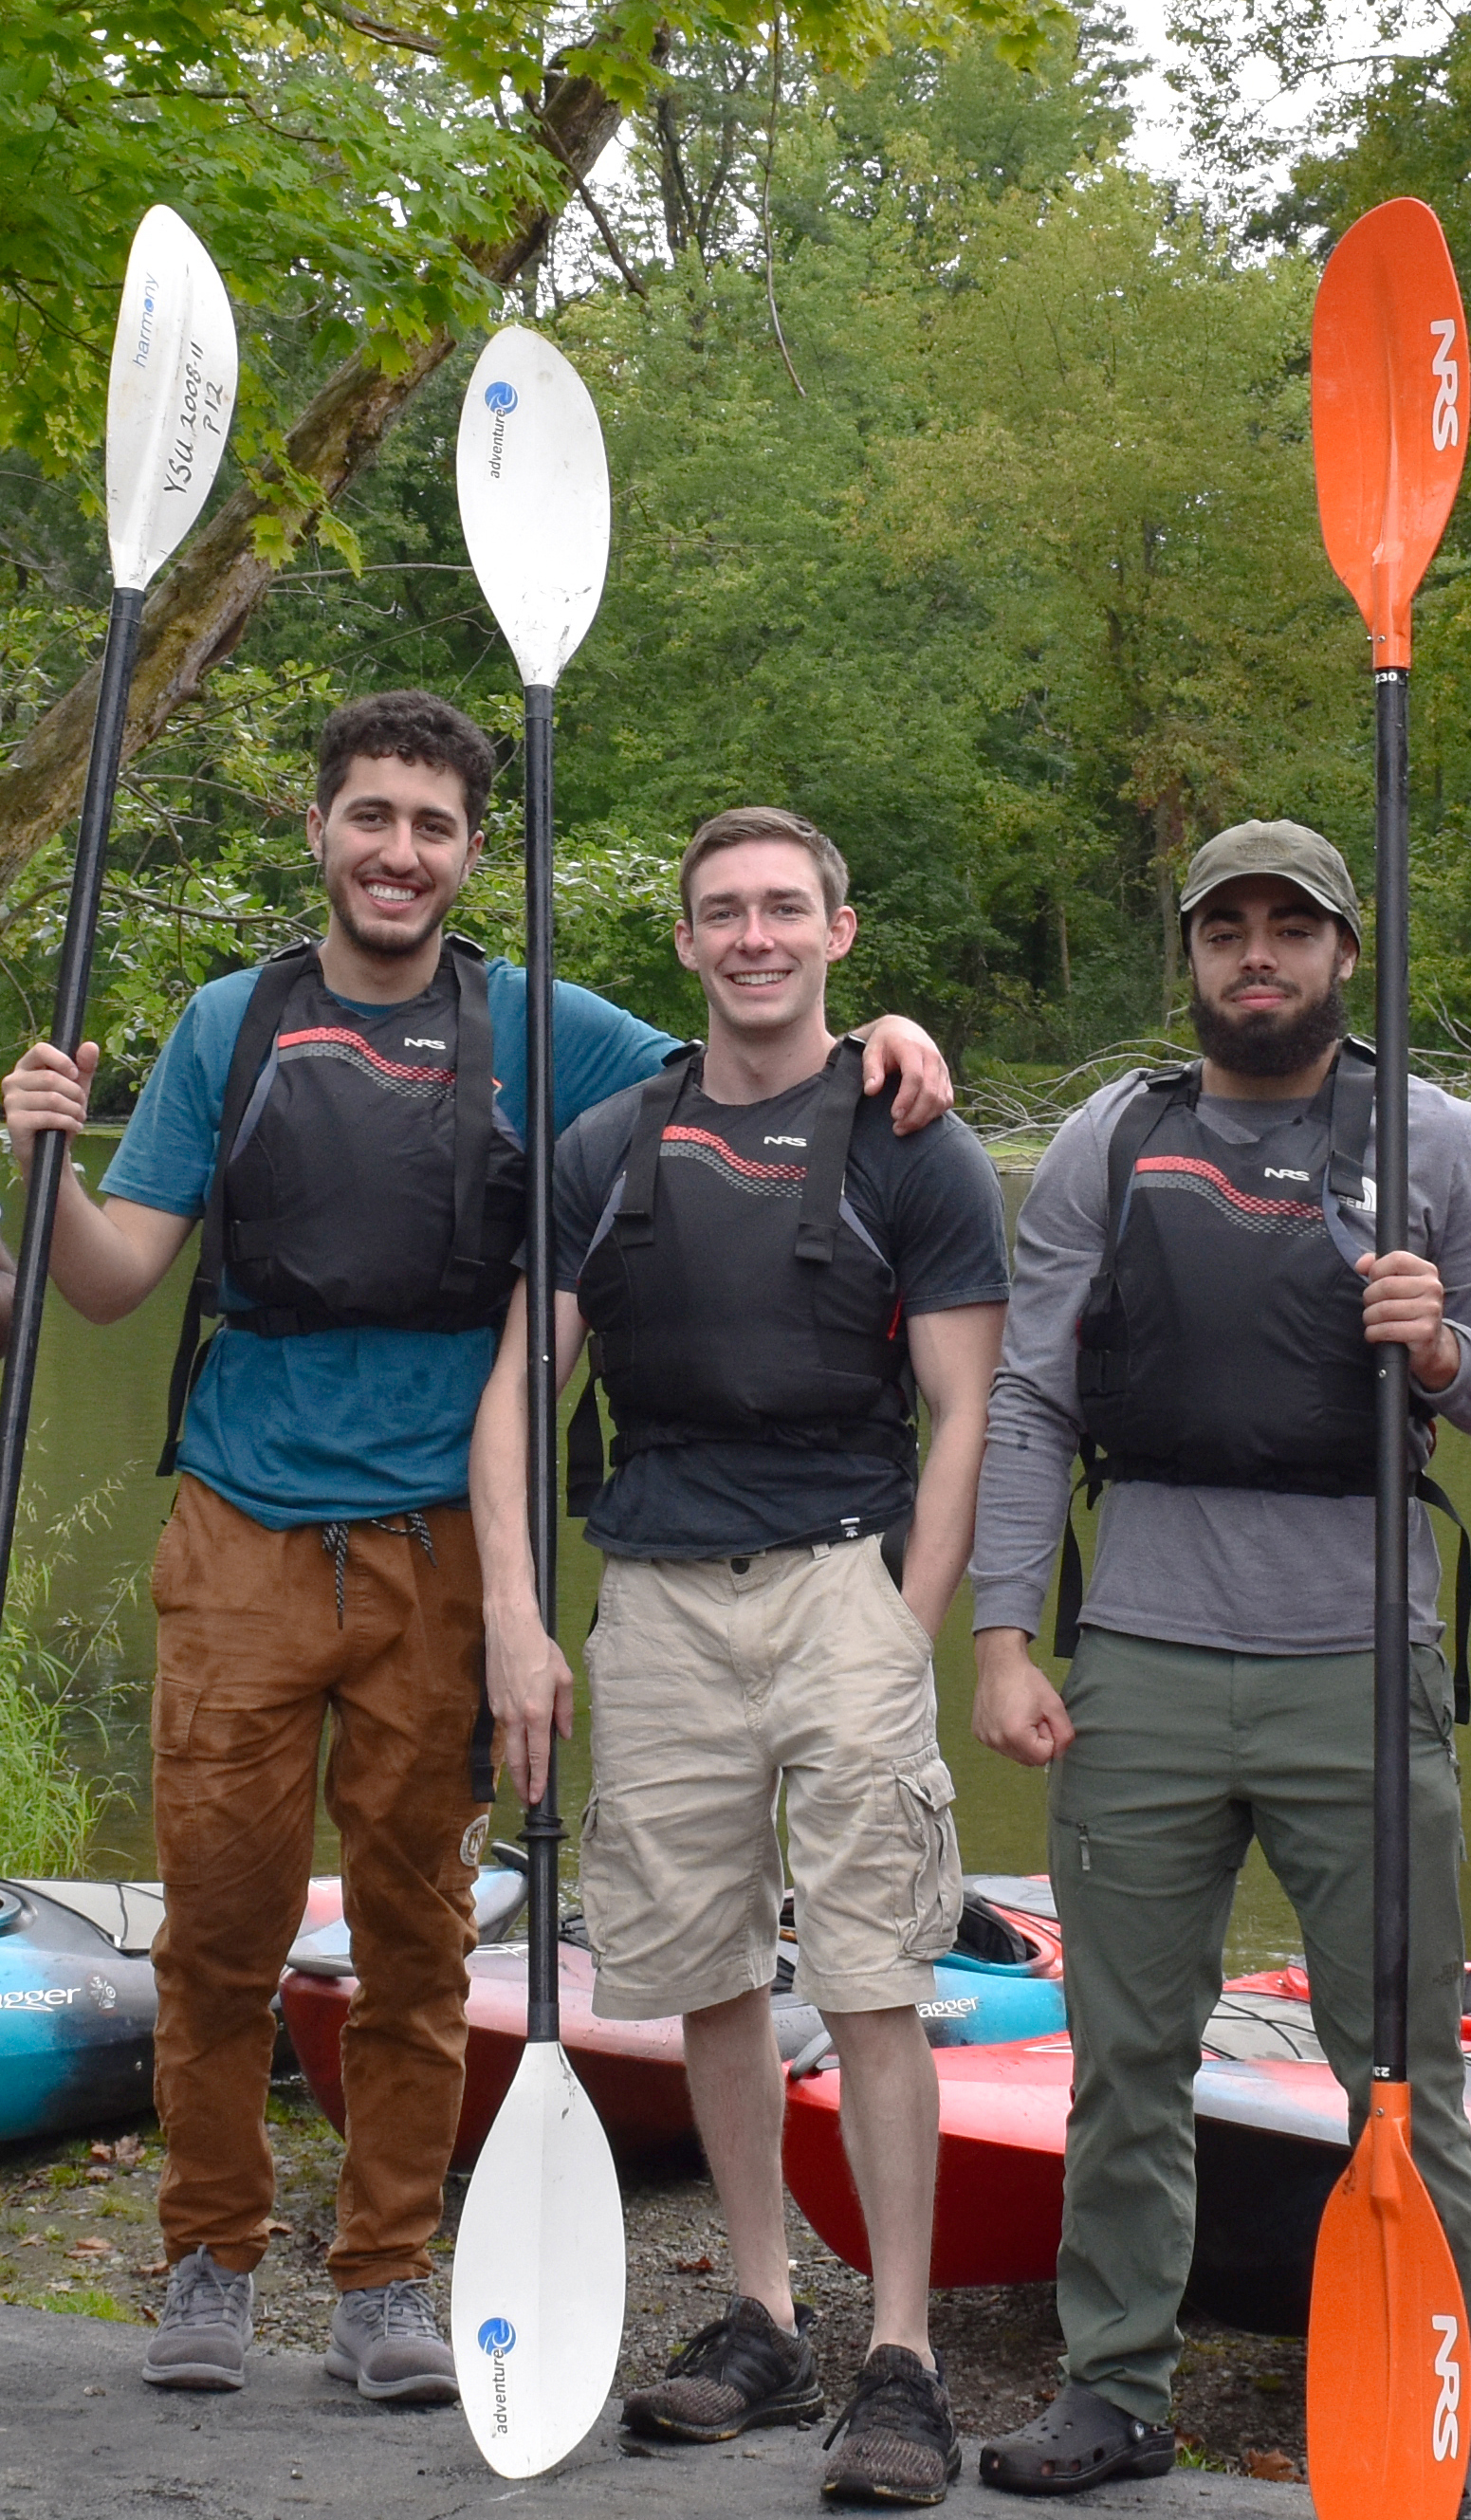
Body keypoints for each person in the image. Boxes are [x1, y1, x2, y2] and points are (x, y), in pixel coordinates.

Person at [0, 694, 950, 2404]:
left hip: (443, 1542)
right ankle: (209, 2253)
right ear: (319, 831)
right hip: (240, 1528)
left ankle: (381, 2278)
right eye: (370, 816)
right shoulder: (229, 1025)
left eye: (433, 826)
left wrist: (892, 1033)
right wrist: (43, 1159)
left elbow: (751, 1050)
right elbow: (106, 1281)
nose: (398, 852)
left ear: (468, 852)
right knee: (214, 1922)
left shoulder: (543, 1030)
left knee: (417, 1925)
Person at [968, 818, 1471, 2520]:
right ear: (1192, 954)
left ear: (1340, 954)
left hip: (1361, 1672)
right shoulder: (1114, 1136)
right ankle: (1115, 2387)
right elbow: (1027, 1403)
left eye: (1288, 931)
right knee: (1123, 2050)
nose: (1256, 957)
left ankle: (1433, 2409)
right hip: (1142, 1661)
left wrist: (1444, 1346)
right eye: (1224, 928)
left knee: (1403, 2070)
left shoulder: (1432, 1141)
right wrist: (1006, 1637)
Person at [475, 804, 1008, 2509]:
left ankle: (903, 2355)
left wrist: (902, 1634)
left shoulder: (914, 1144)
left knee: (867, 1974)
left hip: (841, 1579)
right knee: (705, 1966)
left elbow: (969, 1412)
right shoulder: (610, 1145)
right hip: (656, 1596)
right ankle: (765, 2318)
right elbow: (516, 1396)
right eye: (725, 914)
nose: (755, 936)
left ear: (841, 936)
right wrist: (516, 1616)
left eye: (788, 909)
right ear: (690, 943)